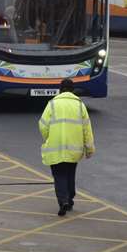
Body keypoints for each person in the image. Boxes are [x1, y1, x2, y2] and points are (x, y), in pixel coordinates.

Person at [38, 78, 95, 216]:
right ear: (73, 90)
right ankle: (70, 198)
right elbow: (87, 129)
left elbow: (43, 125)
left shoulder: (52, 104)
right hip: (74, 148)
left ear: (60, 89)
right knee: (70, 173)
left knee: (59, 175)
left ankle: (63, 200)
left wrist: (48, 138)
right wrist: (89, 148)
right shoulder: (80, 105)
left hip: (55, 147)